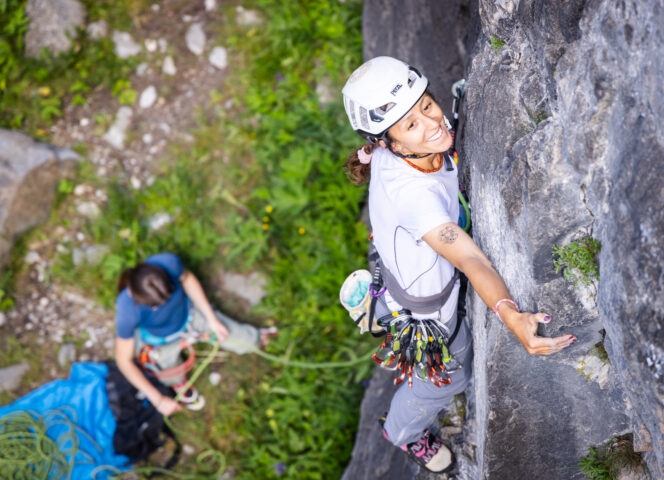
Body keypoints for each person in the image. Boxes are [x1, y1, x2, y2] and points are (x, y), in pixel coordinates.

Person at [341, 57, 576, 473]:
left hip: (404, 269)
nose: (432, 124)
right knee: (448, 381)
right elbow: (468, 258)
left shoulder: (394, 149)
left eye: (427, 107)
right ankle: (402, 433)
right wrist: (510, 314)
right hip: (429, 317)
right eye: (411, 125)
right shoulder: (415, 200)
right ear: (389, 143)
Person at [115, 252, 276, 416]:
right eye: (157, 305)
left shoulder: (169, 262)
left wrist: (211, 318)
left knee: (246, 341)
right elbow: (123, 361)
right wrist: (158, 399)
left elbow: (188, 280)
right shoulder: (126, 310)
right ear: (135, 297)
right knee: (167, 375)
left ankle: (258, 338)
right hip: (160, 341)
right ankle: (178, 384)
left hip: (191, 317)